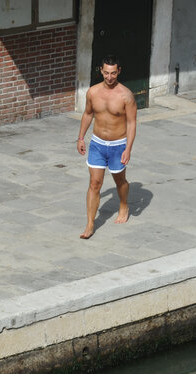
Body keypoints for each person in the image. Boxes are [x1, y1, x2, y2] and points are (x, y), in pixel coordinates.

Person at [75, 55, 137, 240]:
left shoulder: (126, 96)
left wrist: (128, 149)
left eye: (113, 73)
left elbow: (132, 124)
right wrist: (80, 138)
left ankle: (124, 204)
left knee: (120, 181)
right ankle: (90, 224)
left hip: (118, 145)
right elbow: (87, 114)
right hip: (97, 144)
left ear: (119, 71)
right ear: (101, 71)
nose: (109, 77)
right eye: (106, 73)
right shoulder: (93, 92)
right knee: (95, 183)